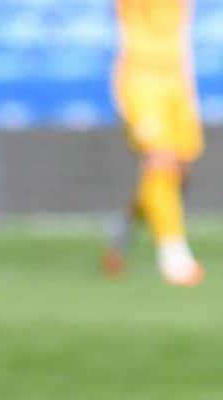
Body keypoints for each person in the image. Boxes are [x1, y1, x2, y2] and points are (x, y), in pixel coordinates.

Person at [101, 0, 204, 286]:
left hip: (178, 78)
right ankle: (174, 255)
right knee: (160, 160)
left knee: (179, 170)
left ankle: (122, 232)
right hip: (140, 77)